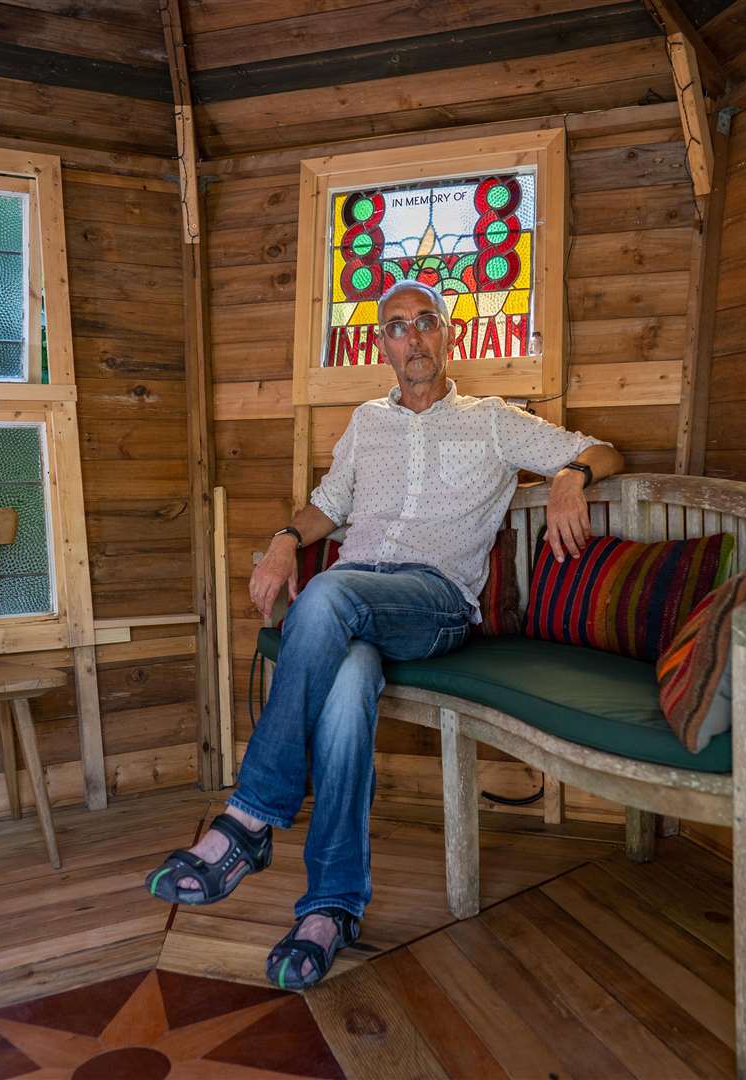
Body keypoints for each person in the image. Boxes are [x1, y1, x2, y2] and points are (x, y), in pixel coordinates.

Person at [145, 279, 624, 989]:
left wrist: (569, 477)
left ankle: (249, 817)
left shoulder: (492, 420)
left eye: (426, 321)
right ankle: (330, 909)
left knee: (332, 591)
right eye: (398, 326)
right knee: (344, 693)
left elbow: (604, 449)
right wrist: (282, 539)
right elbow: (327, 506)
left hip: (432, 605)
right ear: (383, 345)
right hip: (355, 605)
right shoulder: (366, 423)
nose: (414, 337)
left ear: (448, 334)